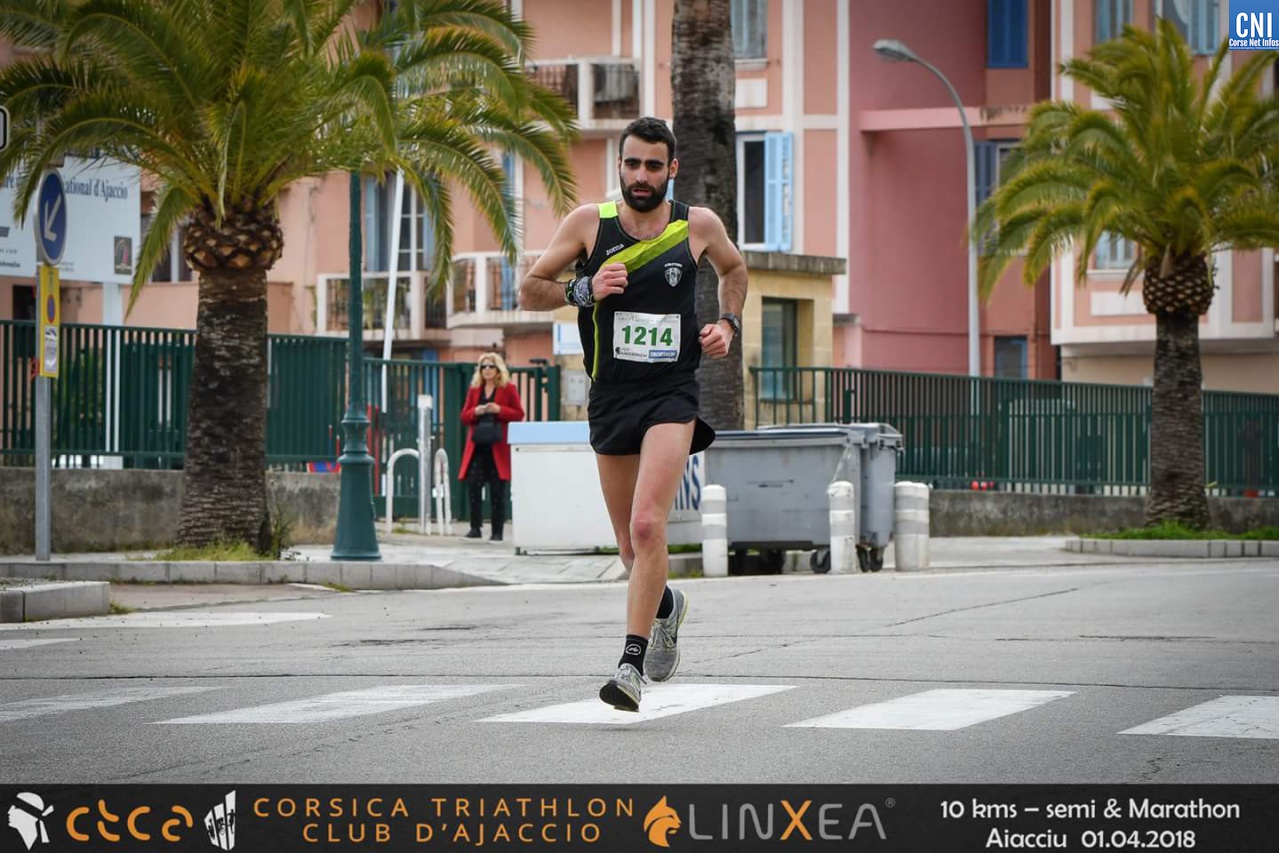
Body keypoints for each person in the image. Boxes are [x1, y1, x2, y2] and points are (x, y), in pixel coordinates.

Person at [519, 116, 747, 711]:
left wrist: (727, 324)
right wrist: (583, 289)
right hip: (611, 395)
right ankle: (668, 606)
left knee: (648, 526)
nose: (641, 176)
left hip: (672, 392)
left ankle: (630, 666)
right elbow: (530, 288)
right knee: (628, 546)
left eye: (652, 165)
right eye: (632, 164)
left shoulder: (696, 225)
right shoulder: (588, 225)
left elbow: (734, 268)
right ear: (619, 166)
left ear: (672, 169)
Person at [458, 352, 524, 542]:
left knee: (497, 490)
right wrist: (476, 411)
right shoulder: (475, 390)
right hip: (478, 445)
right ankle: (475, 528)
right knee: (474, 485)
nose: (487, 370)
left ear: (498, 369)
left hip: (497, 446)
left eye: (490, 366)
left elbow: (519, 413)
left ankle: (497, 531)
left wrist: (499, 410)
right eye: (483, 367)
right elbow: (464, 416)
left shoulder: (508, 388)